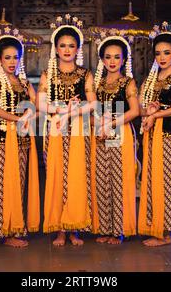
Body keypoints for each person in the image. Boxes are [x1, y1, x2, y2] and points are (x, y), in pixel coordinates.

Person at [37, 14, 96, 246]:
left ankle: (75, 228)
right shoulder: (47, 75)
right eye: (63, 45)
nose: (67, 49)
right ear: (56, 49)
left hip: (79, 130)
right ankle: (60, 229)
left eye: (72, 45)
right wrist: (63, 109)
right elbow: (41, 105)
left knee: (77, 176)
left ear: (78, 48)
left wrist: (73, 111)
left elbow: (92, 103)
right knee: (56, 175)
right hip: (55, 129)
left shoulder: (85, 75)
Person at [138, 21, 171, 247]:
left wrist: (158, 114)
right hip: (151, 135)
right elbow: (140, 107)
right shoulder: (151, 81)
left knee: (168, 182)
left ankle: (168, 233)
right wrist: (147, 111)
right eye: (158, 53)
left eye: (167, 53)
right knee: (151, 180)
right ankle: (155, 227)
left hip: (170, 135)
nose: (162, 57)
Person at [0, 33, 40, 248]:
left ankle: (15, 227)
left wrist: (29, 117)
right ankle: (2, 230)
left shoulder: (25, 83)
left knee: (19, 183)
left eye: (15, 57)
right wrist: (18, 118)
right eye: (7, 58)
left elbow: (37, 107)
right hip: (1, 138)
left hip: (22, 138)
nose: (12, 62)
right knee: (2, 183)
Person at [91, 35, 139, 245]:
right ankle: (105, 228)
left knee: (119, 181)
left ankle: (118, 230)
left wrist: (110, 124)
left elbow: (135, 111)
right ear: (102, 59)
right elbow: (92, 112)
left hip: (119, 133)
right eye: (108, 57)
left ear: (123, 60)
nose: (112, 61)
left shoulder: (128, 82)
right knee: (102, 180)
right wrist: (97, 125)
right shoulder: (98, 84)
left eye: (117, 57)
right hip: (100, 135)